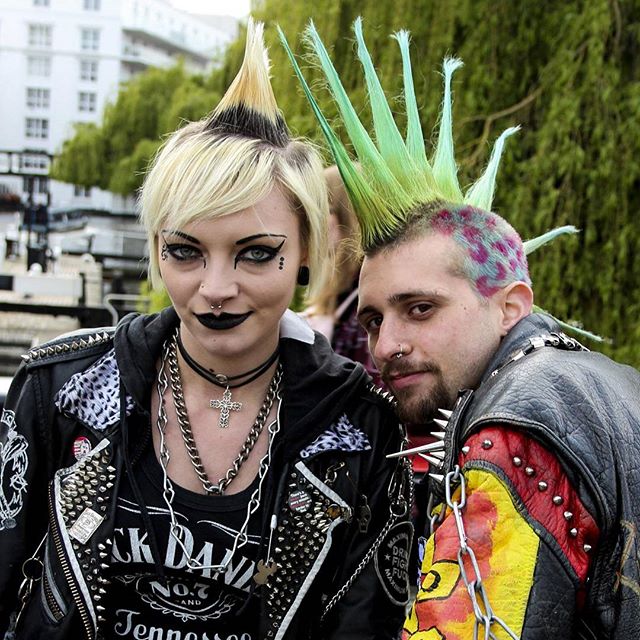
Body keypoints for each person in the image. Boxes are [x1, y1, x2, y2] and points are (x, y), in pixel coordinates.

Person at [0, 20, 412, 640]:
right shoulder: (61, 392)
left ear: (305, 252)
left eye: (254, 253)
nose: (215, 288)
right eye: (186, 252)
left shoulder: (359, 429)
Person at [281, 17, 640, 639]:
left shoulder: (515, 427)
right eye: (372, 319)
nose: (386, 346)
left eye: (421, 309)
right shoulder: (611, 382)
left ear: (510, 305)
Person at [302, 165, 381, 385]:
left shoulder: (366, 304)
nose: (308, 224)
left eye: (320, 210)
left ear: (347, 217)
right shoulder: (343, 296)